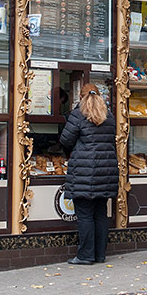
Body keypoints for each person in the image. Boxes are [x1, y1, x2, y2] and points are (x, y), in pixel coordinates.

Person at [59, 83, 117, 265]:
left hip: (84, 171)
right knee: (100, 214)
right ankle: (100, 255)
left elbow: (66, 140)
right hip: (106, 171)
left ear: (80, 97)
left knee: (84, 215)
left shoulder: (78, 115)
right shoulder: (109, 115)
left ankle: (85, 255)